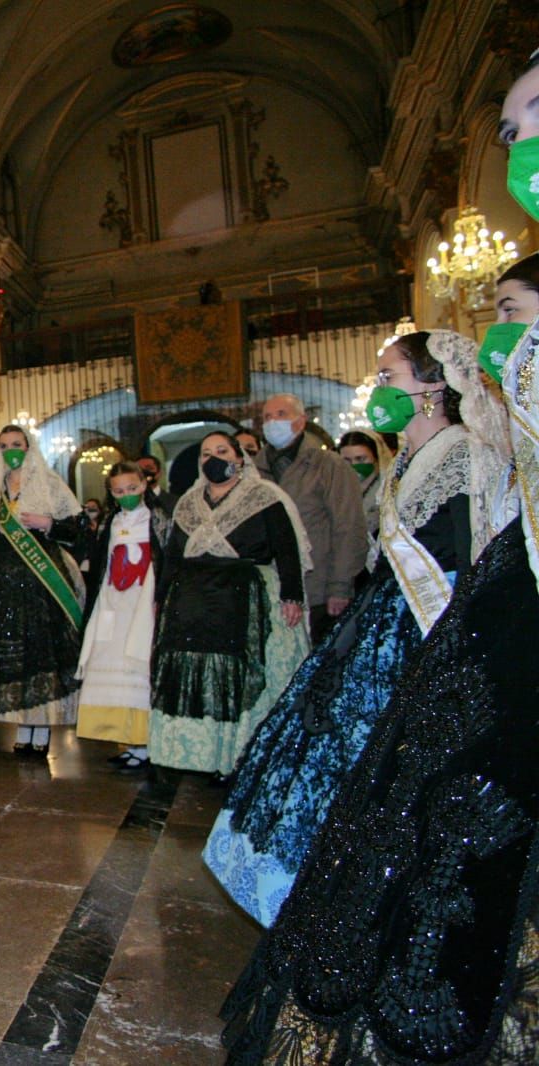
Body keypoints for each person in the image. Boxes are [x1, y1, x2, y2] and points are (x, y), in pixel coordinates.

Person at [221, 60, 539, 1058]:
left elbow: (386, 535)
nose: (520, 146)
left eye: (390, 376)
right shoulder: (429, 446)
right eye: (512, 126)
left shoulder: (447, 449)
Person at [206, 330, 499, 928]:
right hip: (382, 616)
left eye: (390, 376)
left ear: (433, 386)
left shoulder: (464, 454)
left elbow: (466, 554)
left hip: (421, 622)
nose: (379, 388)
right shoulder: (405, 460)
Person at [149, 433, 310, 779]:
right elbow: (172, 557)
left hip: (246, 600)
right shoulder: (188, 504)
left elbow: (287, 550)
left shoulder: (264, 497)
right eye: (207, 453)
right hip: (195, 604)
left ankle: (240, 757)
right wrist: (161, 599)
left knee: (240, 677)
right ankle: (201, 756)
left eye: (222, 451)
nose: (213, 459)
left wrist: (292, 596)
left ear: (239, 457)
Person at [0, 425, 86, 754]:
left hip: (39, 581)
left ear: (29, 447)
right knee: (13, 657)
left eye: (16, 444)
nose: (10, 450)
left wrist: (49, 524)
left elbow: (79, 529)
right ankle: (23, 723)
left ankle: (40, 729)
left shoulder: (51, 483)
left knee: (38, 654)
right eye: (4, 445)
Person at [74, 461, 172, 770]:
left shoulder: (157, 519)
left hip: (143, 603)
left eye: (132, 488)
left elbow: (167, 558)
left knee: (139, 665)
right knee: (111, 663)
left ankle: (146, 742)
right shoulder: (110, 522)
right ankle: (126, 739)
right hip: (114, 601)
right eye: (119, 491)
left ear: (144, 484)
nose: (126, 495)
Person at [254, 392, 366, 642]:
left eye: (281, 414)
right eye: (267, 417)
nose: (273, 422)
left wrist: (340, 586)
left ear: (301, 421)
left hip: (319, 588)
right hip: (274, 589)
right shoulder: (254, 472)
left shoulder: (328, 465)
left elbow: (348, 526)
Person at [336, 428, 391, 553]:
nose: (354, 465)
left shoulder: (388, 490)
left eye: (360, 459)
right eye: (347, 460)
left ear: (376, 457)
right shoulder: (337, 489)